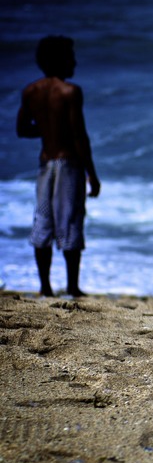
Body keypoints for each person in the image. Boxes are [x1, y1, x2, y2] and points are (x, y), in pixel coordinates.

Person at [17, 36, 101, 298]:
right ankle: (72, 286)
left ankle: (45, 287)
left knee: (43, 221)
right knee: (71, 221)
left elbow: (22, 129)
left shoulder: (31, 91)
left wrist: (47, 130)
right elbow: (79, 137)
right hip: (68, 164)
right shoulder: (70, 92)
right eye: (70, 56)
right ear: (60, 60)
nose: (74, 62)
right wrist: (92, 174)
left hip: (45, 163)